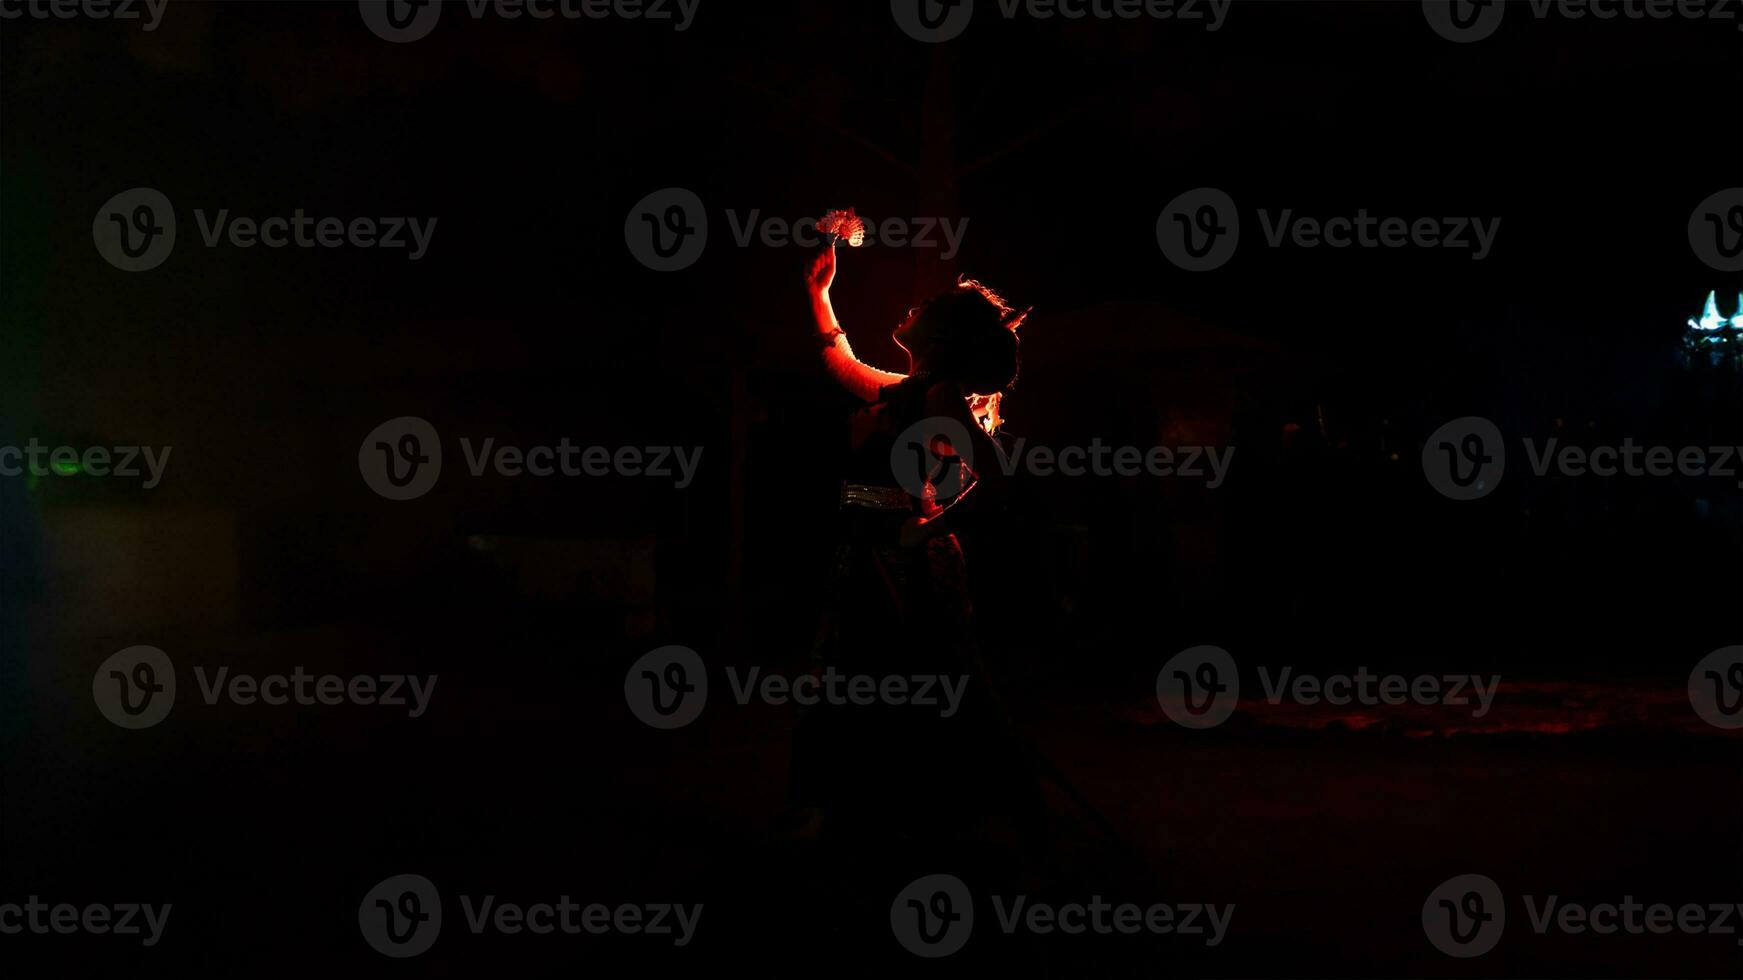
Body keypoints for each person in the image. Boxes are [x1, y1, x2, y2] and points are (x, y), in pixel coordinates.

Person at [790, 230, 1033, 854]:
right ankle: (878, 820)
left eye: (926, 309)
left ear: (942, 337)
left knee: (902, 687)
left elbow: (998, 480)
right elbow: (842, 366)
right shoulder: (912, 390)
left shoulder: (942, 395)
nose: (912, 308)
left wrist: (933, 524)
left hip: (906, 570)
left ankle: (924, 822)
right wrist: (822, 293)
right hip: (873, 556)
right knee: (870, 686)